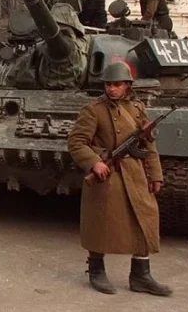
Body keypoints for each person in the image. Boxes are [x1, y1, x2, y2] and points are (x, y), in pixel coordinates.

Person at [67, 61, 172, 297]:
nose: (111, 89)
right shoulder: (94, 110)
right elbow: (76, 142)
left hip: (135, 174)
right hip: (108, 173)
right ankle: (96, 271)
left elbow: (148, 145)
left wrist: (156, 175)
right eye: (108, 84)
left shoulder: (137, 109)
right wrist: (94, 162)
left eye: (117, 85)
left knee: (145, 219)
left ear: (127, 85)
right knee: (101, 222)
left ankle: (141, 275)